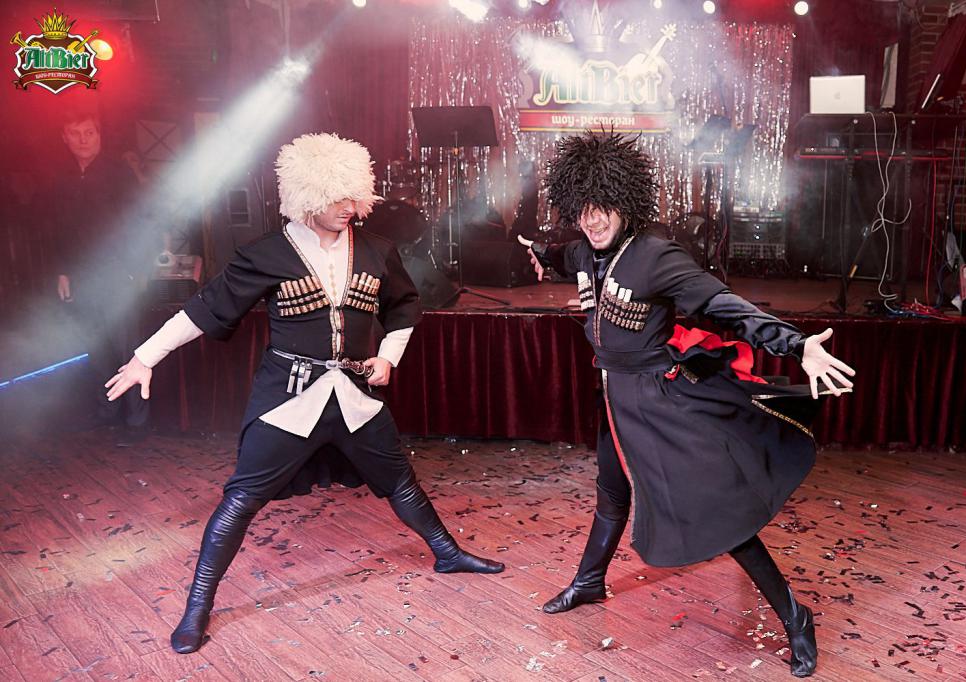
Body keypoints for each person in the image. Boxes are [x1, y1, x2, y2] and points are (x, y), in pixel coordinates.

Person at [105, 133, 504, 654]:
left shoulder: (377, 250)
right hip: (289, 401)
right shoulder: (266, 254)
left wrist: (388, 357)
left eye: (353, 196)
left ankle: (447, 553)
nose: (348, 208)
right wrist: (144, 358)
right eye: (336, 198)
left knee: (400, 482)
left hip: (355, 397)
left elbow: (404, 307)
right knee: (241, 500)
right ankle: (197, 606)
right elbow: (205, 309)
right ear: (307, 196)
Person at [518, 131, 855, 678]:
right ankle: (590, 581)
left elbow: (725, 305)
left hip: (660, 406)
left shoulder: (656, 256)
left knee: (721, 516)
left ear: (624, 202)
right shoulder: (581, 249)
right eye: (582, 209)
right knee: (611, 494)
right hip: (614, 402)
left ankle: (796, 617)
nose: (592, 220)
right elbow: (558, 254)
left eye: (602, 207)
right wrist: (535, 251)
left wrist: (795, 345)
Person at [53, 111, 151, 433]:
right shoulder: (63, 177)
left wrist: (138, 268)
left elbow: (139, 219)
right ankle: (107, 412)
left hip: (118, 271)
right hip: (83, 273)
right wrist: (63, 271)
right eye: (75, 133)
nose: (83, 139)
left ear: (99, 136)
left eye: (89, 133)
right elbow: (60, 230)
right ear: (65, 137)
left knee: (127, 346)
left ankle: (136, 421)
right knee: (95, 346)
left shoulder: (118, 172)